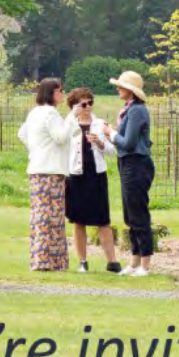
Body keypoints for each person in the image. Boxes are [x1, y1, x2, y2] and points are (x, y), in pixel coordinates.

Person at [64, 87, 122, 273]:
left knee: (102, 220)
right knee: (78, 221)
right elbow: (61, 145)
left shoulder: (100, 123)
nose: (87, 106)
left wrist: (100, 143)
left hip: (96, 176)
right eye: (83, 103)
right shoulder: (68, 125)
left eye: (89, 102)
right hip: (76, 176)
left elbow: (114, 151)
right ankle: (82, 261)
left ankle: (112, 262)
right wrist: (71, 118)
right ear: (75, 105)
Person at [17, 78, 71, 272]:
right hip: (50, 170)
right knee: (49, 217)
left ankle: (49, 261)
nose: (63, 94)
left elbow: (22, 134)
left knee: (43, 215)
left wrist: (36, 148)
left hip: (38, 168)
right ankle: (46, 261)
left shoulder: (34, 113)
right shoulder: (50, 113)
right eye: (60, 91)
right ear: (51, 93)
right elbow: (61, 137)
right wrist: (72, 117)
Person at [107, 70, 155, 276]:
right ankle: (134, 261)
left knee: (138, 214)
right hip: (127, 163)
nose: (118, 89)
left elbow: (129, 142)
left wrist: (112, 133)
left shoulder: (137, 111)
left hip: (137, 165)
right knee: (130, 214)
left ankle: (145, 264)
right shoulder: (129, 110)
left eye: (121, 86)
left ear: (130, 90)